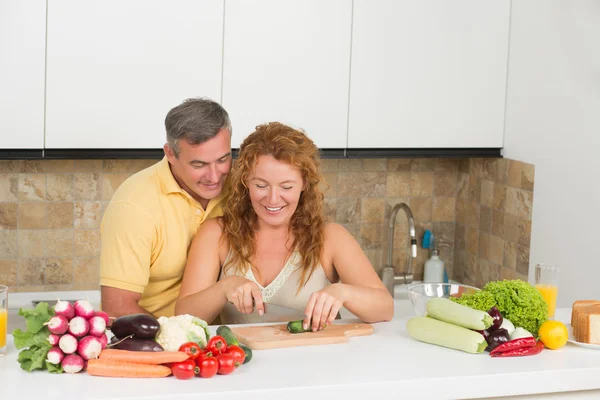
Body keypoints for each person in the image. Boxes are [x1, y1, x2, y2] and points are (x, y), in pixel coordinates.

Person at [176, 122, 393, 330]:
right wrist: (224, 288)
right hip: (241, 365)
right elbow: (182, 317)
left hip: (318, 364)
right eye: (261, 185)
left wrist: (344, 293)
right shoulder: (216, 234)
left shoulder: (331, 238)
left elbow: (385, 308)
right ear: (245, 182)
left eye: (286, 186)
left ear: (304, 184)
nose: (272, 199)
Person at [100, 98, 232, 318]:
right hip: (157, 339)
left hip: (226, 340)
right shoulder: (134, 206)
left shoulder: (241, 188)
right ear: (170, 154)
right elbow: (117, 307)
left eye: (222, 159)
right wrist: (174, 341)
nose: (214, 176)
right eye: (199, 165)